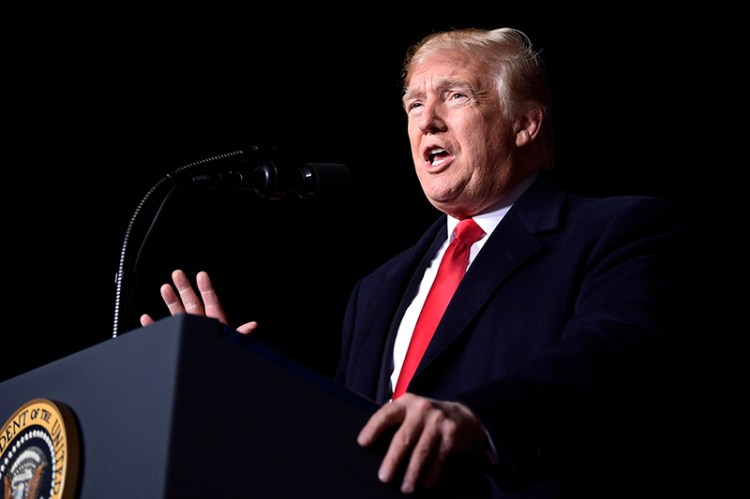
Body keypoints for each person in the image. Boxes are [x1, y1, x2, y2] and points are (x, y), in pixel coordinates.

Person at [140, 27, 687, 498]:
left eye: (455, 96)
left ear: (526, 124)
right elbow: (347, 436)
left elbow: (612, 356)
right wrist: (240, 381)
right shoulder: (375, 291)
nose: (428, 121)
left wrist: (476, 418)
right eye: (414, 105)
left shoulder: (614, 231)